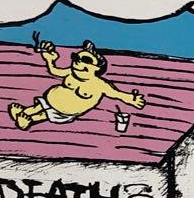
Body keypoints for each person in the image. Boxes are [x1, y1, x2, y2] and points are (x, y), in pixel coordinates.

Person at [8, 37, 145, 130]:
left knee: (43, 115)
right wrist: (50, 59)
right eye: (76, 57)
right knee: (38, 107)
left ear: (97, 68)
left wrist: (131, 99)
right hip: (49, 100)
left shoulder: (99, 84)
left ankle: (26, 119)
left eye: (86, 60)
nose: (78, 61)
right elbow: (55, 71)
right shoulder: (70, 72)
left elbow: (116, 94)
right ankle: (23, 114)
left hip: (66, 113)